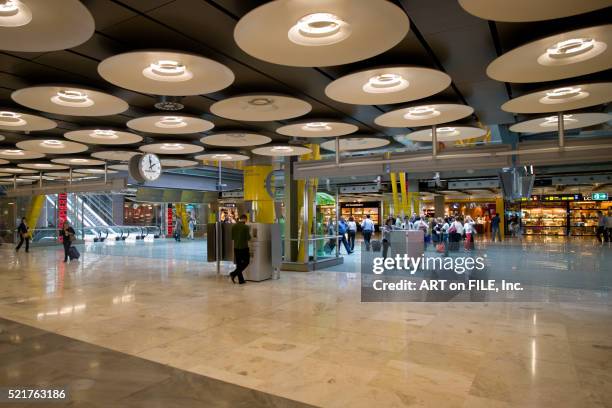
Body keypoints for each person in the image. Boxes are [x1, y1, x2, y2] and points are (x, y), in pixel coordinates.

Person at [230, 214, 251, 284]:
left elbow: (232, 237)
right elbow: (248, 238)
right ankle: (233, 273)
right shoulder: (246, 227)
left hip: (236, 247)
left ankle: (241, 280)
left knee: (239, 264)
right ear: (245, 219)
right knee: (246, 262)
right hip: (244, 247)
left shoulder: (234, 226)